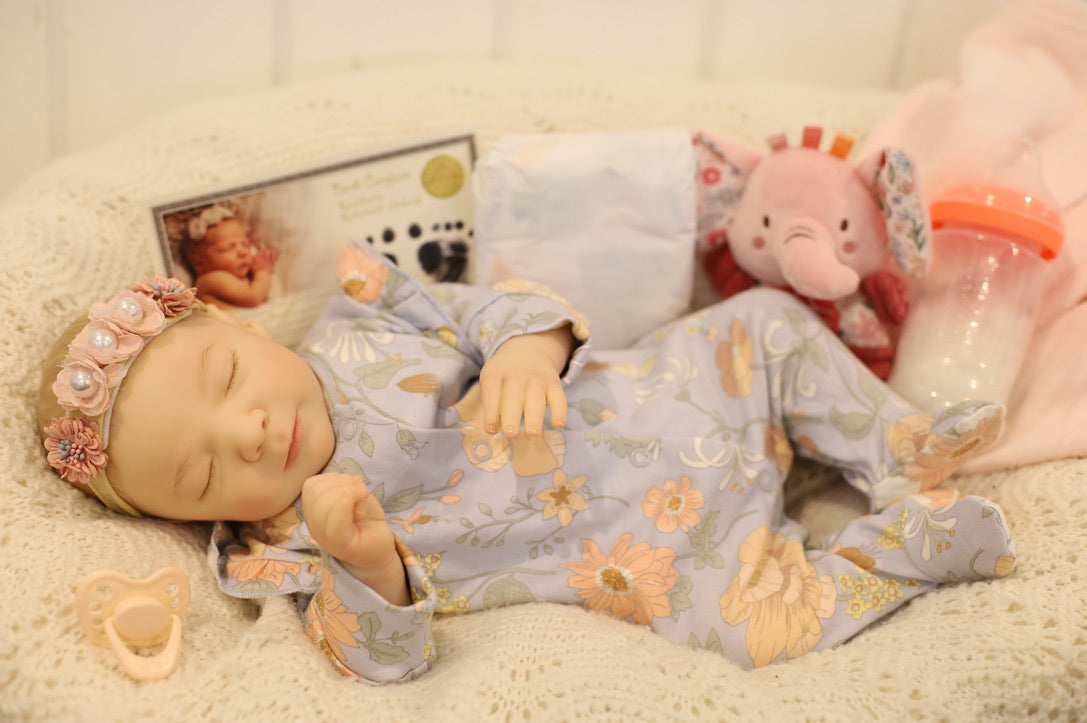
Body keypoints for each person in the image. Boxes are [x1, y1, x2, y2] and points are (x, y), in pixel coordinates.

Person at [38, 241, 1014, 683]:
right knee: (756, 635)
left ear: (239, 326)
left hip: (682, 389)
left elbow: (501, 305)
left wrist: (523, 353)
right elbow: (380, 657)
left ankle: (895, 444)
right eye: (202, 475)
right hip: (657, 553)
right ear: (190, 517)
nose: (245, 432)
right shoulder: (281, 545)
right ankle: (900, 549)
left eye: (224, 378)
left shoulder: (360, 318)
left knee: (763, 322)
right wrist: (369, 566)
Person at [180, 204, 278, 307]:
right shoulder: (211, 279)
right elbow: (253, 298)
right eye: (228, 248)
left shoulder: (242, 278)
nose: (243, 252)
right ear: (199, 263)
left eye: (246, 245)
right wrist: (262, 271)